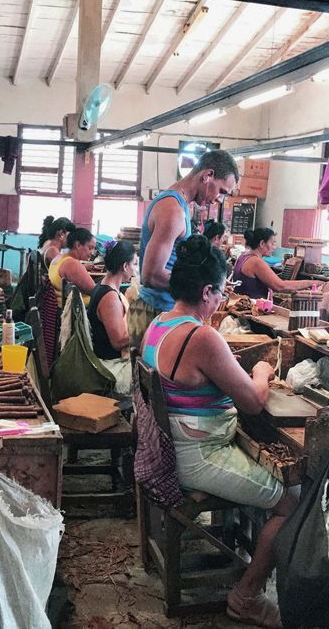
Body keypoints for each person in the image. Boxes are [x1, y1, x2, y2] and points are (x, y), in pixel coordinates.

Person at [141, 235, 295, 627]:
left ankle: (250, 557)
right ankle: (245, 597)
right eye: (221, 292)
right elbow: (252, 402)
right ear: (207, 290)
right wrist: (260, 372)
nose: (222, 301)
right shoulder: (201, 337)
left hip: (170, 448)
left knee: (276, 476)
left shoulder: (159, 323)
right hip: (198, 457)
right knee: (294, 503)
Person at [129, 150, 239, 347]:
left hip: (163, 308)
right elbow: (151, 275)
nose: (219, 200)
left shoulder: (180, 205)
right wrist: (203, 288)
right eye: (221, 192)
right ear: (208, 175)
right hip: (156, 308)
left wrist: (211, 283)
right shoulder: (173, 210)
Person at [88, 240, 136, 393]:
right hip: (110, 365)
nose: (134, 271)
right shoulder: (110, 297)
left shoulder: (103, 286)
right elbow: (118, 341)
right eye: (133, 264)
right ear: (124, 266)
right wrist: (145, 330)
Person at [233, 227, 320, 299]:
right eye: (272, 243)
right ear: (262, 243)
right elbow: (281, 286)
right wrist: (312, 283)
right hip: (250, 309)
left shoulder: (242, 256)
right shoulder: (256, 261)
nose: (274, 247)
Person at [48, 227, 97, 306]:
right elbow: (95, 292)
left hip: (60, 306)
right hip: (73, 311)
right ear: (78, 245)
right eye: (90, 248)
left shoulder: (59, 257)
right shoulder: (71, 263)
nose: (92, 252)